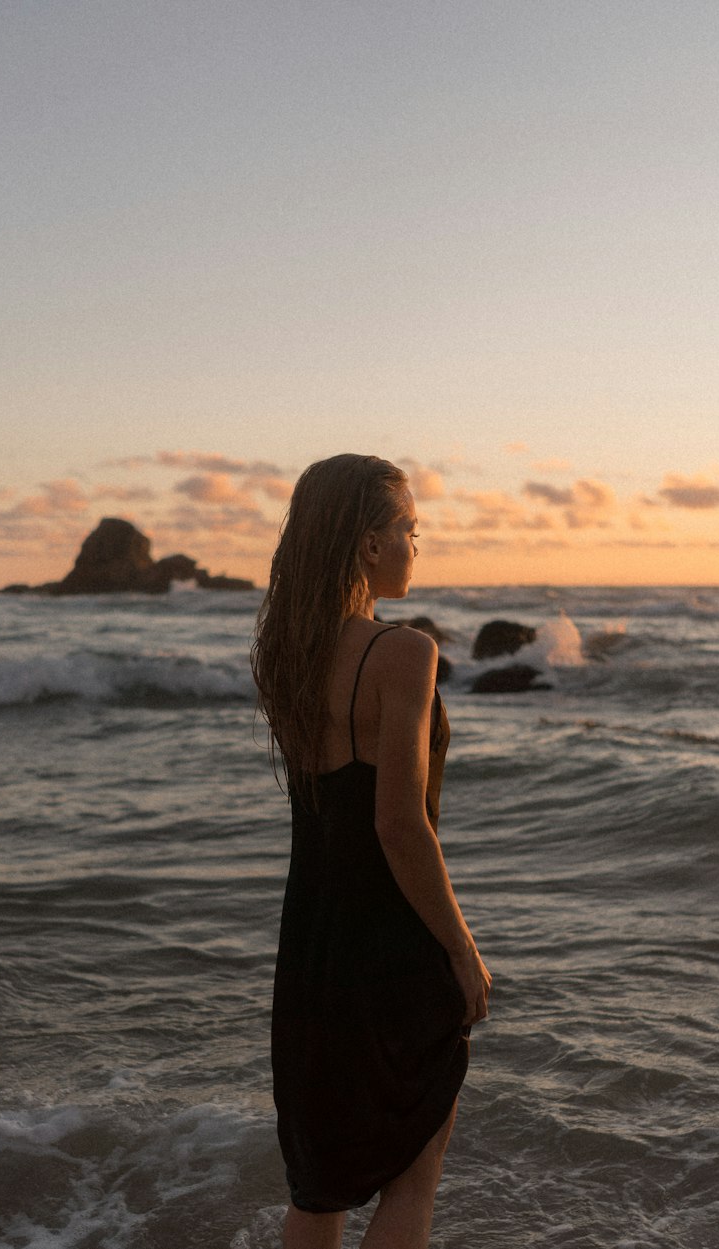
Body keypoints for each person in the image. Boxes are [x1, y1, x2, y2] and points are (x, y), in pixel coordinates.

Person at [251, 453, 491, 1249]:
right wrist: (461, 950)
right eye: (409, 529)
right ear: (367, 545)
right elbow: (398, 824)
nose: (417, 544)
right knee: (413, 1174)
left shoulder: (287, 655)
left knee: (318, 1189)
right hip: (389, 947)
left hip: (311, 947)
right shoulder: (403, 653)